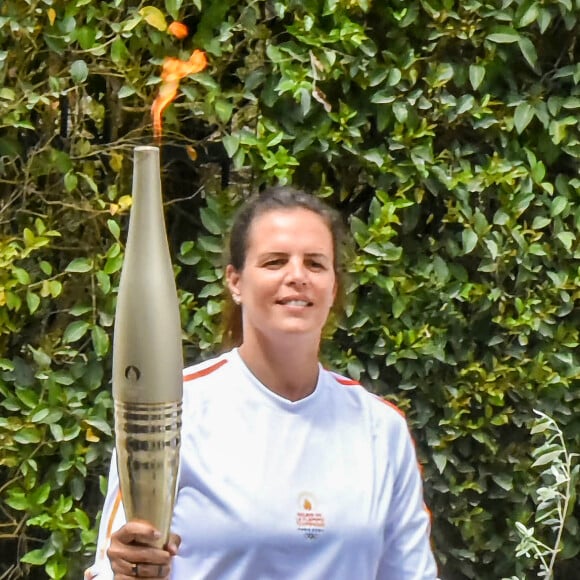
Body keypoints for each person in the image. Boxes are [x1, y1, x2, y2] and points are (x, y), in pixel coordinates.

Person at [86, 186, 438, 579]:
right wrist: (125, 568)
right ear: (235, 282)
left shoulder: (381, 429)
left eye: (316, 264)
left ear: (334, 287)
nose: (297, 277)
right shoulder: (173, 409)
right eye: (275, 262)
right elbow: (113, 565)